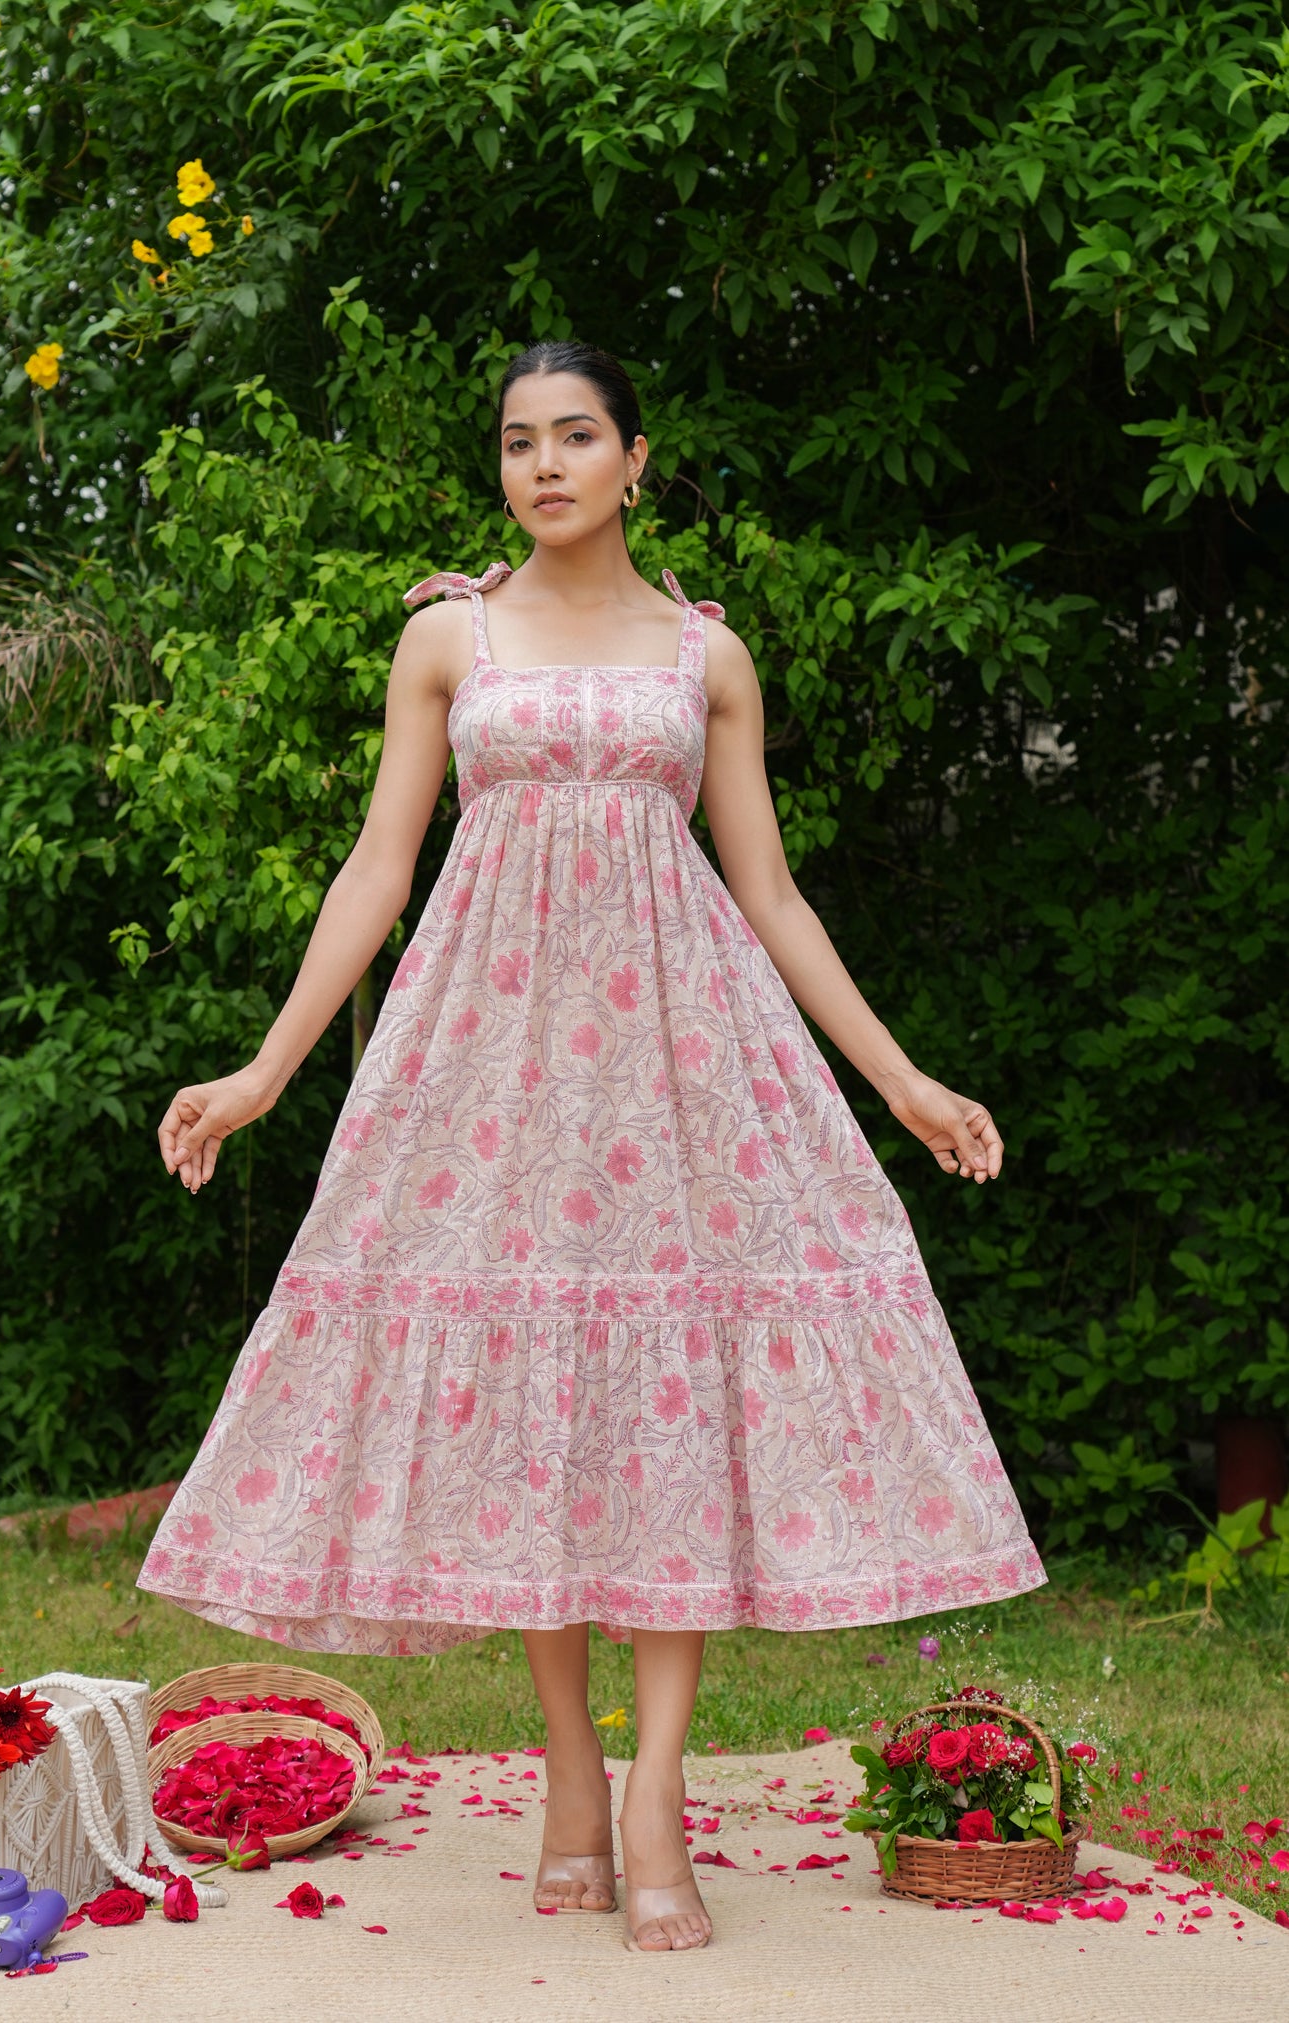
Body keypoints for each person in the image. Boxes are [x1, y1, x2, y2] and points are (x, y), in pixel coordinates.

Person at [138, 339, 1046, 1953]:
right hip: (483, 1073)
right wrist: (268, 1067)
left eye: (574, 437)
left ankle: (653, 1798)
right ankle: (570, 1775)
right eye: (515, 443)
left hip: (676, 1073)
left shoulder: (706, 657)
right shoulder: (447, 638)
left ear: (636, 458)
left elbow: (767, 892)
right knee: (537, 1425)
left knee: (664, 1409)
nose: (543, 464)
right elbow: (376, 870)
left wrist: (900, 1080)